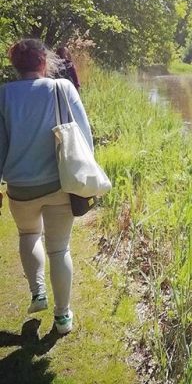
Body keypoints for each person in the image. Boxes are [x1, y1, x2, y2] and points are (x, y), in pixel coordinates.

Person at [0, 38, 93, 335]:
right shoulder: (61, 88)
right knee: (59, 248)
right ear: (43, 61)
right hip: (58, 186)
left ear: (16, 65)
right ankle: (63, 317)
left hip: (19, 188)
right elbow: (83, 133)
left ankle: (37, 292)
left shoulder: (3, 96)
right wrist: (86, 175)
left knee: (28, 234)